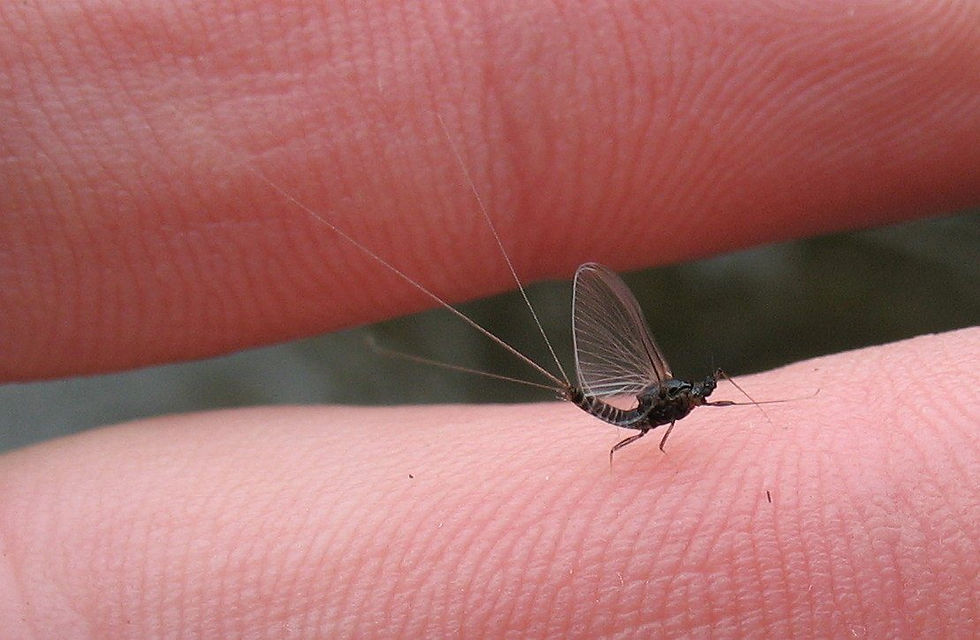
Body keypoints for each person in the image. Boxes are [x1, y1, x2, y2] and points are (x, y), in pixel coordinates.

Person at [1, 1, 977, 636]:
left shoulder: (670, 399)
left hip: (625, 406)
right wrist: (640, 426)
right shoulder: (656, 399)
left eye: (701, 395)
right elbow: (647, 431)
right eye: (700, 394)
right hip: (619, 406)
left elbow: (666, 425)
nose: (705, 396)